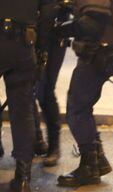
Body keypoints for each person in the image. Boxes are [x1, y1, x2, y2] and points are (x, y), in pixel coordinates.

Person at [56, 0, 113, 187]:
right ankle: (98, 160)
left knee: (76, 110)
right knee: (83, 108)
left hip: (97, 54)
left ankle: (89, 167)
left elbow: (92, 24)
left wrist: (61, 29)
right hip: (102, 54)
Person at [0, 0, 56, 192]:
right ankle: (23, 177)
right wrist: (41, 48)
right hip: (23, 42)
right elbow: (49, 11)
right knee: (22, 111)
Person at [35, 0, 72, 166]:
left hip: (54, 37)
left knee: (45, 90)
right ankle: (36, 139)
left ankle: (54, 146)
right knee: (27, 90)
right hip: (31, 33)